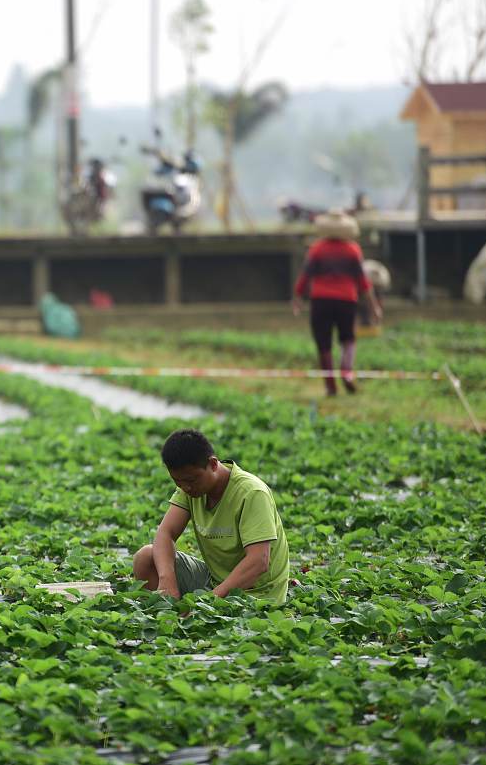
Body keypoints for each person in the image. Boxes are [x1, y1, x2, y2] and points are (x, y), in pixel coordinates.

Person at [132, 429, 290, 604]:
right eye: (178, 482)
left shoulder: (252, 493)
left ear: (213, 464)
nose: (186, 488)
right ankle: (170, 618)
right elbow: (165, 533)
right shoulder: (189, 488)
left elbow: (259, 561)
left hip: (256, 595)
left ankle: (190, 616)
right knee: (146, 557)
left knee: (205, 617)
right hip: (214, 581)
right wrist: (167, 581)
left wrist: (208, 602)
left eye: (191, 480)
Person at [291, 210, 383, 396]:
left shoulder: (316, 249)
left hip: (321, 300)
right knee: (347, 338)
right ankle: (347, 372)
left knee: (323, 341)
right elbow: (363, 282)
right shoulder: (353, 250)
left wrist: (298, 298)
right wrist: (374, 306)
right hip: (346, 300)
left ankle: (330, 384)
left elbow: (305, 277)